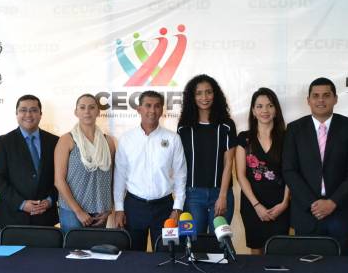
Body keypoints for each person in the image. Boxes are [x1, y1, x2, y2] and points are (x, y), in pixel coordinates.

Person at [282, 77, 348, 255]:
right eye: (316, 96)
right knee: (307, 267)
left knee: (341, 267)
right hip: (307, 214)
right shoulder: (294, 129)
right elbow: (289, 170)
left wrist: (333, 202)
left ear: (335, 99)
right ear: (308, 100)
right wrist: (312, 204)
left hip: (341, 213)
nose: (321, 100)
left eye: (326, 95)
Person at [114, 90, 186, 251]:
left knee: (167, 255)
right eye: (148, 105)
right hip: (134, 207)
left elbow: (181, 175)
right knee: (133, 258)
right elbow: (119, 176)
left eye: (157, 106)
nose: (152, 110)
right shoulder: (126, 139)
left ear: (162, 110)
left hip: (165, 208)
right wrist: (119, 209)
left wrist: (177, 208)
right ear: (139, 109)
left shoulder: (173, 139)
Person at [177, 74, 236, 233]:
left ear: (215, 94)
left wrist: (222, 196)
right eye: (199, 93)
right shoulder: (184, 127)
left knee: (219, 241)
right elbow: (180, 165)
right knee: (193, 240)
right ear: (192, 97)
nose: (204, 97)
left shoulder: (226, 125)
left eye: (208, 92)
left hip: (220, 193)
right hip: (193, 195)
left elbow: (228, 163)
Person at [0, 94, 59, 228]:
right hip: (12, 218)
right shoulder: (3, 142)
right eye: (23, 110)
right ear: (16, 114)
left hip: (45, 217)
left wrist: (50, 200)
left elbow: (62, 177)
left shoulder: (55, 142)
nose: (28, 114)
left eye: (34, 110)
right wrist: (21, 204)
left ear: (40, 114)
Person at [236, 88, 290, 252]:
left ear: (276, 110)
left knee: (278, 252)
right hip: (253, 205)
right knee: (256, 253)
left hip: (280, 206)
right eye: (259, 106)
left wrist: (284, 203)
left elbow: (291, 173)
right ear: (253, 111)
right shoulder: (244, 138)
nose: (265, 110)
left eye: (269, 106)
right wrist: (257, 205)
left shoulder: (287, 137)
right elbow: (240, 175)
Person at [54, 94, 114, 234]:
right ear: (76, 112)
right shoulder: (67, 140)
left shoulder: (108, 142)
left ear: (98, 112)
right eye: (82, 107)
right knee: (73, 247)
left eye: (92, 107)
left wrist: (108, 206)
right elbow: (59, 180)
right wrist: (78, 211)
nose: (87, 111)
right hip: (72, 211)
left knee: (97, 247)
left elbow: (112, 178)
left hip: (100, 211)